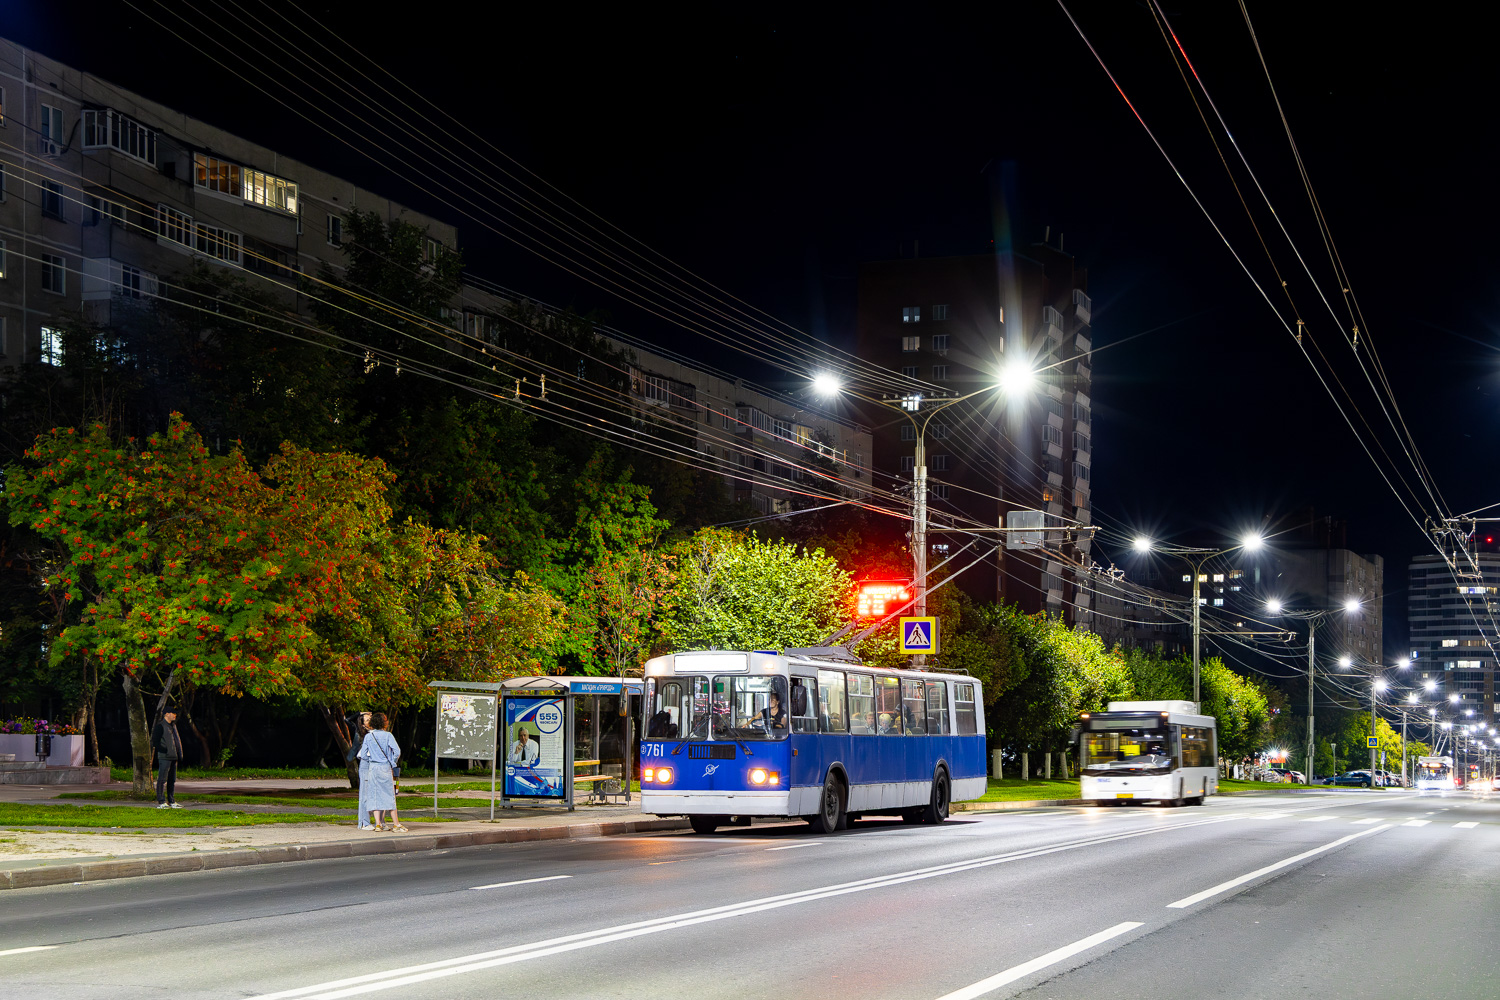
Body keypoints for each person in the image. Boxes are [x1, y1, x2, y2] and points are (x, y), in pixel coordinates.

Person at [358, 713, 405, 832]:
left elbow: (363, 755)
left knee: (374, 795)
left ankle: (377, 824)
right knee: (389, 795)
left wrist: (372, 760)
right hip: (385, 767)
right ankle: (396, 824)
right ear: (384, 723)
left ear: (372, 723)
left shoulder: (369, 737)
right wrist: (392, 762)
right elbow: (397, 751)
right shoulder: (388, 735)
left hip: (373, 768)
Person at [151, 705, 185, 809]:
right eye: (173, 713)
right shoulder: (160, 726)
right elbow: (154, 741)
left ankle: (172, 801)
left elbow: (176, 741)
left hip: (173, 757)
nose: (175, 715)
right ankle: (161, 801)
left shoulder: (173, 726)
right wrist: (164, 750)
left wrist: (179, 754)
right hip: (165, 757)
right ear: (166, 714)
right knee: (162, 779)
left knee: (172, 780)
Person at [346, 711, 374, 830]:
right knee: (365, 794)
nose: (370, 721)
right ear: (362, 724)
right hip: (365, 763)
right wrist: (360, 713)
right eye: (367, 720)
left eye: (371, 718)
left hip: (374, 765)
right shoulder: (360, 733)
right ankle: (363, 822)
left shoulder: (375, 733)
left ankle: (377, 821)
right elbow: (347, 720)